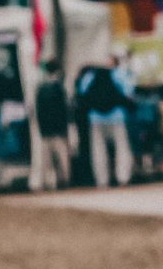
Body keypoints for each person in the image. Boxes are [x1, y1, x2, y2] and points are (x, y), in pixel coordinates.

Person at [75, 56, 136, 187]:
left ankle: (102, 180)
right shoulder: (119, 74)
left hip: (95, 118)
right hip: (117, 116)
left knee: (98, 150)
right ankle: (123, 177)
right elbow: (129, 92)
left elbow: (82, 95)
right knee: (122, 148)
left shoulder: (89, 76)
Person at [31, 64, 72, 190]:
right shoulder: (59, 88)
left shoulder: (41, 88)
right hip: (58, 129)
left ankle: (49, 182)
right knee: (62, 157)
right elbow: (64, 110)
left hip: (46, 129)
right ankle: (63, 180)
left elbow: (38, 110)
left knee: (47, 160)